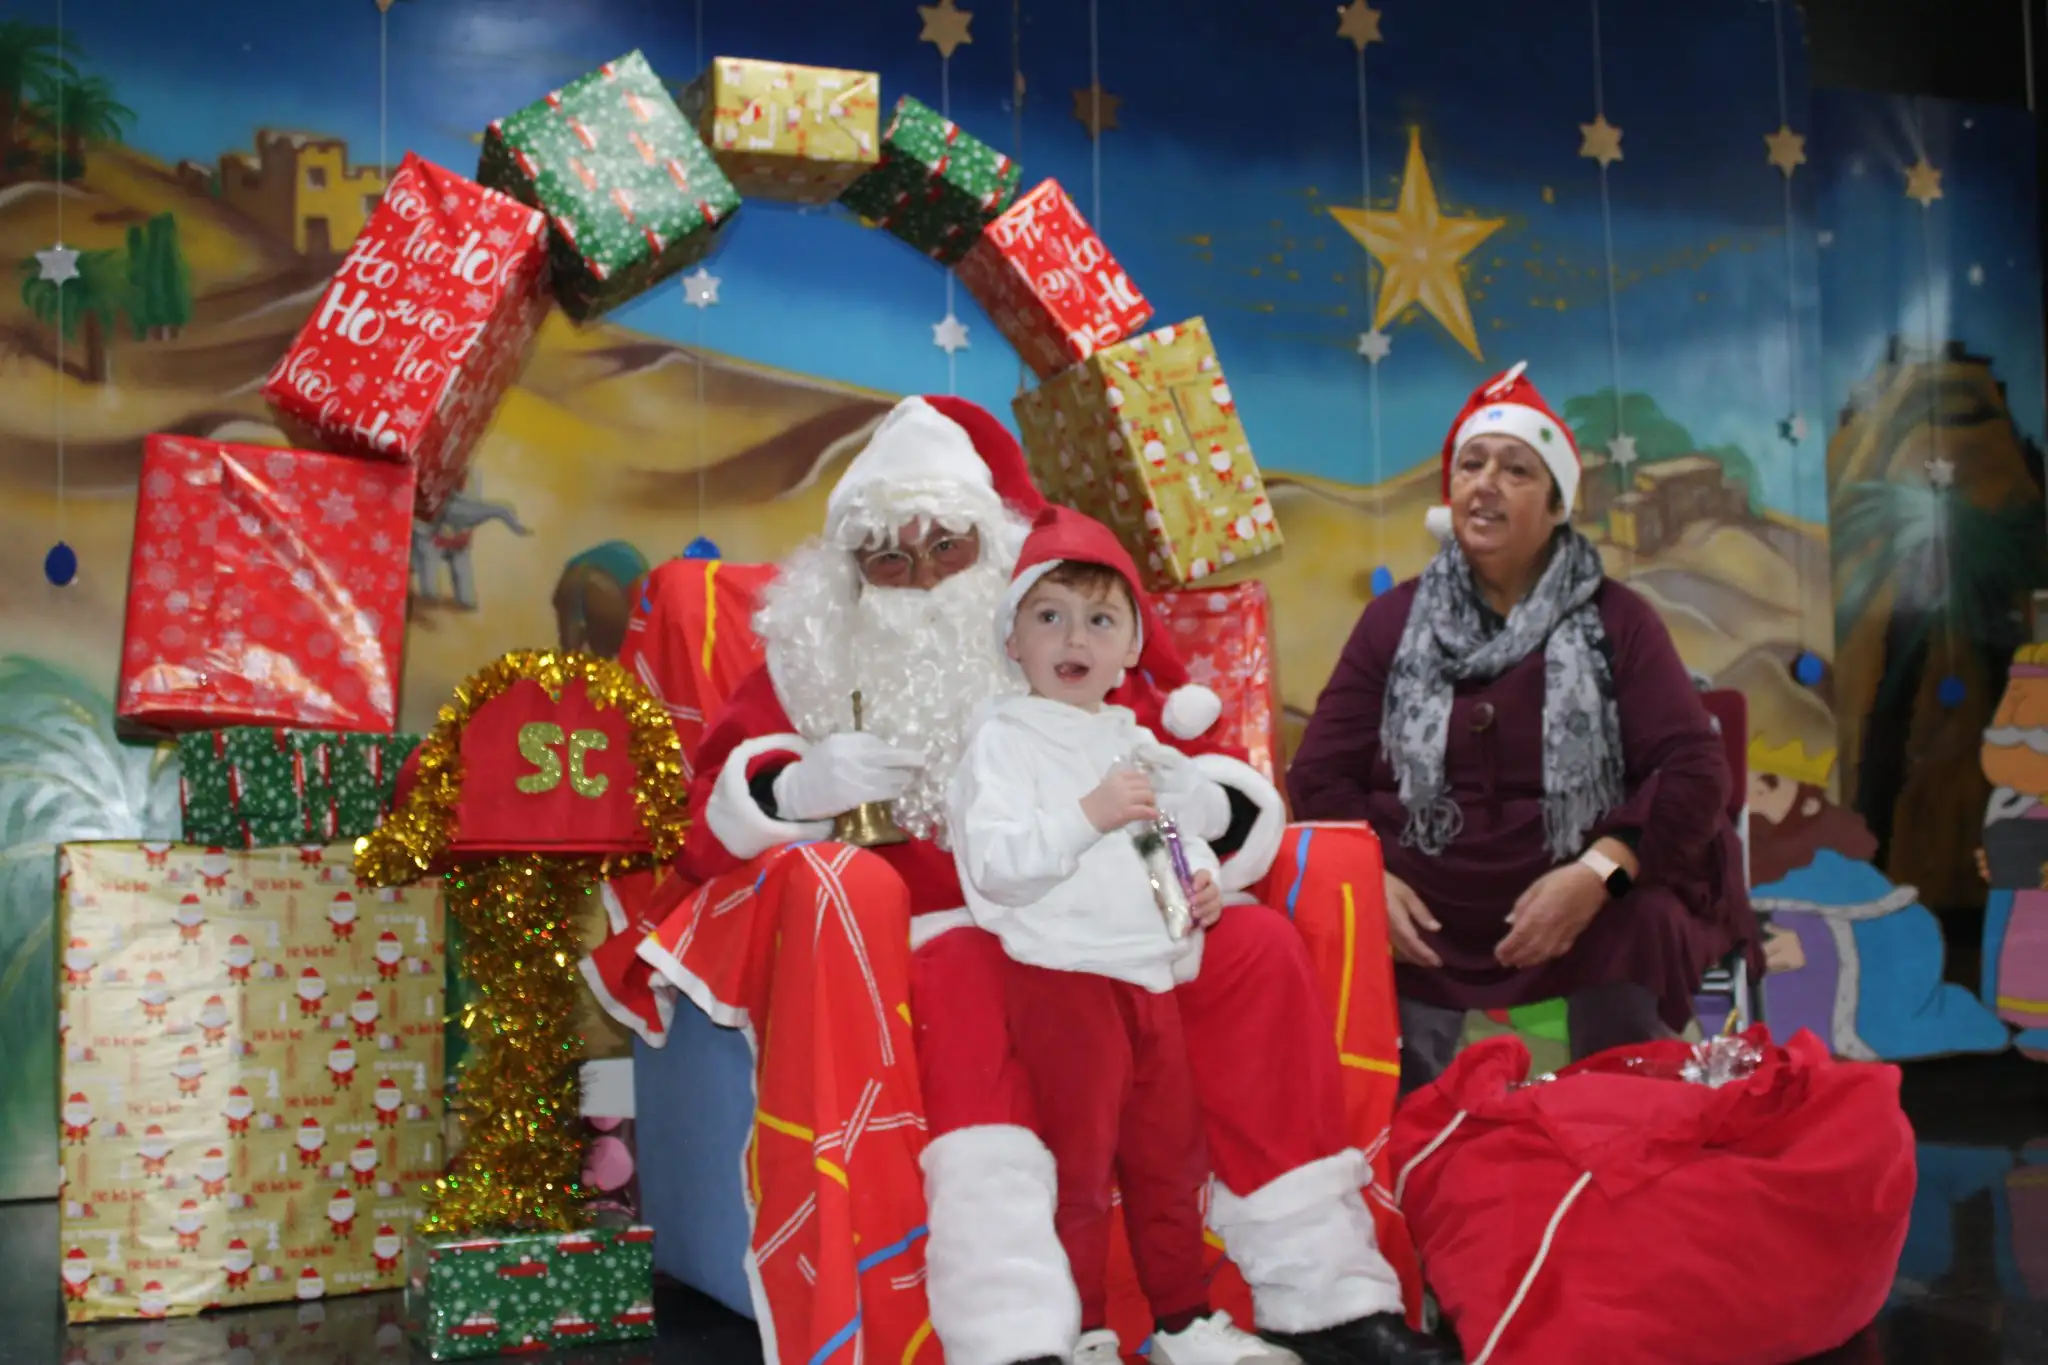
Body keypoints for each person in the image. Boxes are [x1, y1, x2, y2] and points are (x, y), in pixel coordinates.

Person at [592, 394, 1451, 1365]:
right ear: (847, 573)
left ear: (990, 553)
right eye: (886, 558)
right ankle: (1012, 1328)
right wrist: (796, 786)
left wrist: (1206, 814)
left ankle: (1320, 1295)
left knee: (1250, 944)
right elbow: (696, 825)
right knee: (964, 968)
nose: (919, 577)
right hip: (940, 931)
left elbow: (1180, 756)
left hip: (1112, 917)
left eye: (945, 547)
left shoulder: (1056, 637)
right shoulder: (808, 666)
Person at [1289, 363, 1759, 1093]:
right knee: (1352, 925)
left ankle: (1622, 1120)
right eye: (1471, 465)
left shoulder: (1619, 621)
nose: (1486, 484)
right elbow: (1321, 771)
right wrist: (1369, 878)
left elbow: (1694, 772)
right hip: (1426, 892)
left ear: (1557, 502)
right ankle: (1412, 1141)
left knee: (1645, 917)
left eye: (1515, 470)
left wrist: (1599, 874)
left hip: (1581, 886)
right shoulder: (1392, 621)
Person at [951, 505, 1294, 1365]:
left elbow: (1159, 841)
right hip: (1063, 977)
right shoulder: (1002, 739)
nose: (1075, 637)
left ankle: (1183, 1320)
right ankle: (1082, 1331)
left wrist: (1197, 886)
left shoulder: (1130, 740)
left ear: (1132, 648)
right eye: (1050, 615)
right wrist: (1087, 814)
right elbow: (996, 864)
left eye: (1100, 620)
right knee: (1078, 1167)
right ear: (1013, 639)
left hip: (1148, 978)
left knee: (1168, 1159)